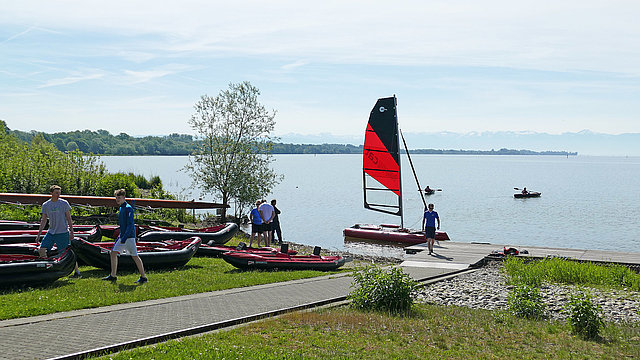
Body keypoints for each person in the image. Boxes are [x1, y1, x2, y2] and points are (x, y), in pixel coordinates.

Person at [102, 189, 147, 284]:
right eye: (116, 198)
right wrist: (121, 236)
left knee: (134, 256)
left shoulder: (128, 208)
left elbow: (130, 225)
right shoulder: (121, 208)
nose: (117, 199)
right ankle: (113, 275)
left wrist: (124, 237)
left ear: (124, 197)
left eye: (119, 198)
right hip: (122, 236)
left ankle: (143, 277)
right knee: (113, 253)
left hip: (129, 237)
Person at [36, 185, 81, 278]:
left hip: (63, 232)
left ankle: (77, 272)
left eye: (59, 193)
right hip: (51, 232)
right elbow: (43, 220)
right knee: (42, 249)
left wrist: (72, 232)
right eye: (56, 193)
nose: (58, 195)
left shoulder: (64, 203)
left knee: (67, 252)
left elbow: (69, 218)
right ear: (51, 193)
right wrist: (39, 234)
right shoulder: (46, 205)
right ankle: (46, 268)